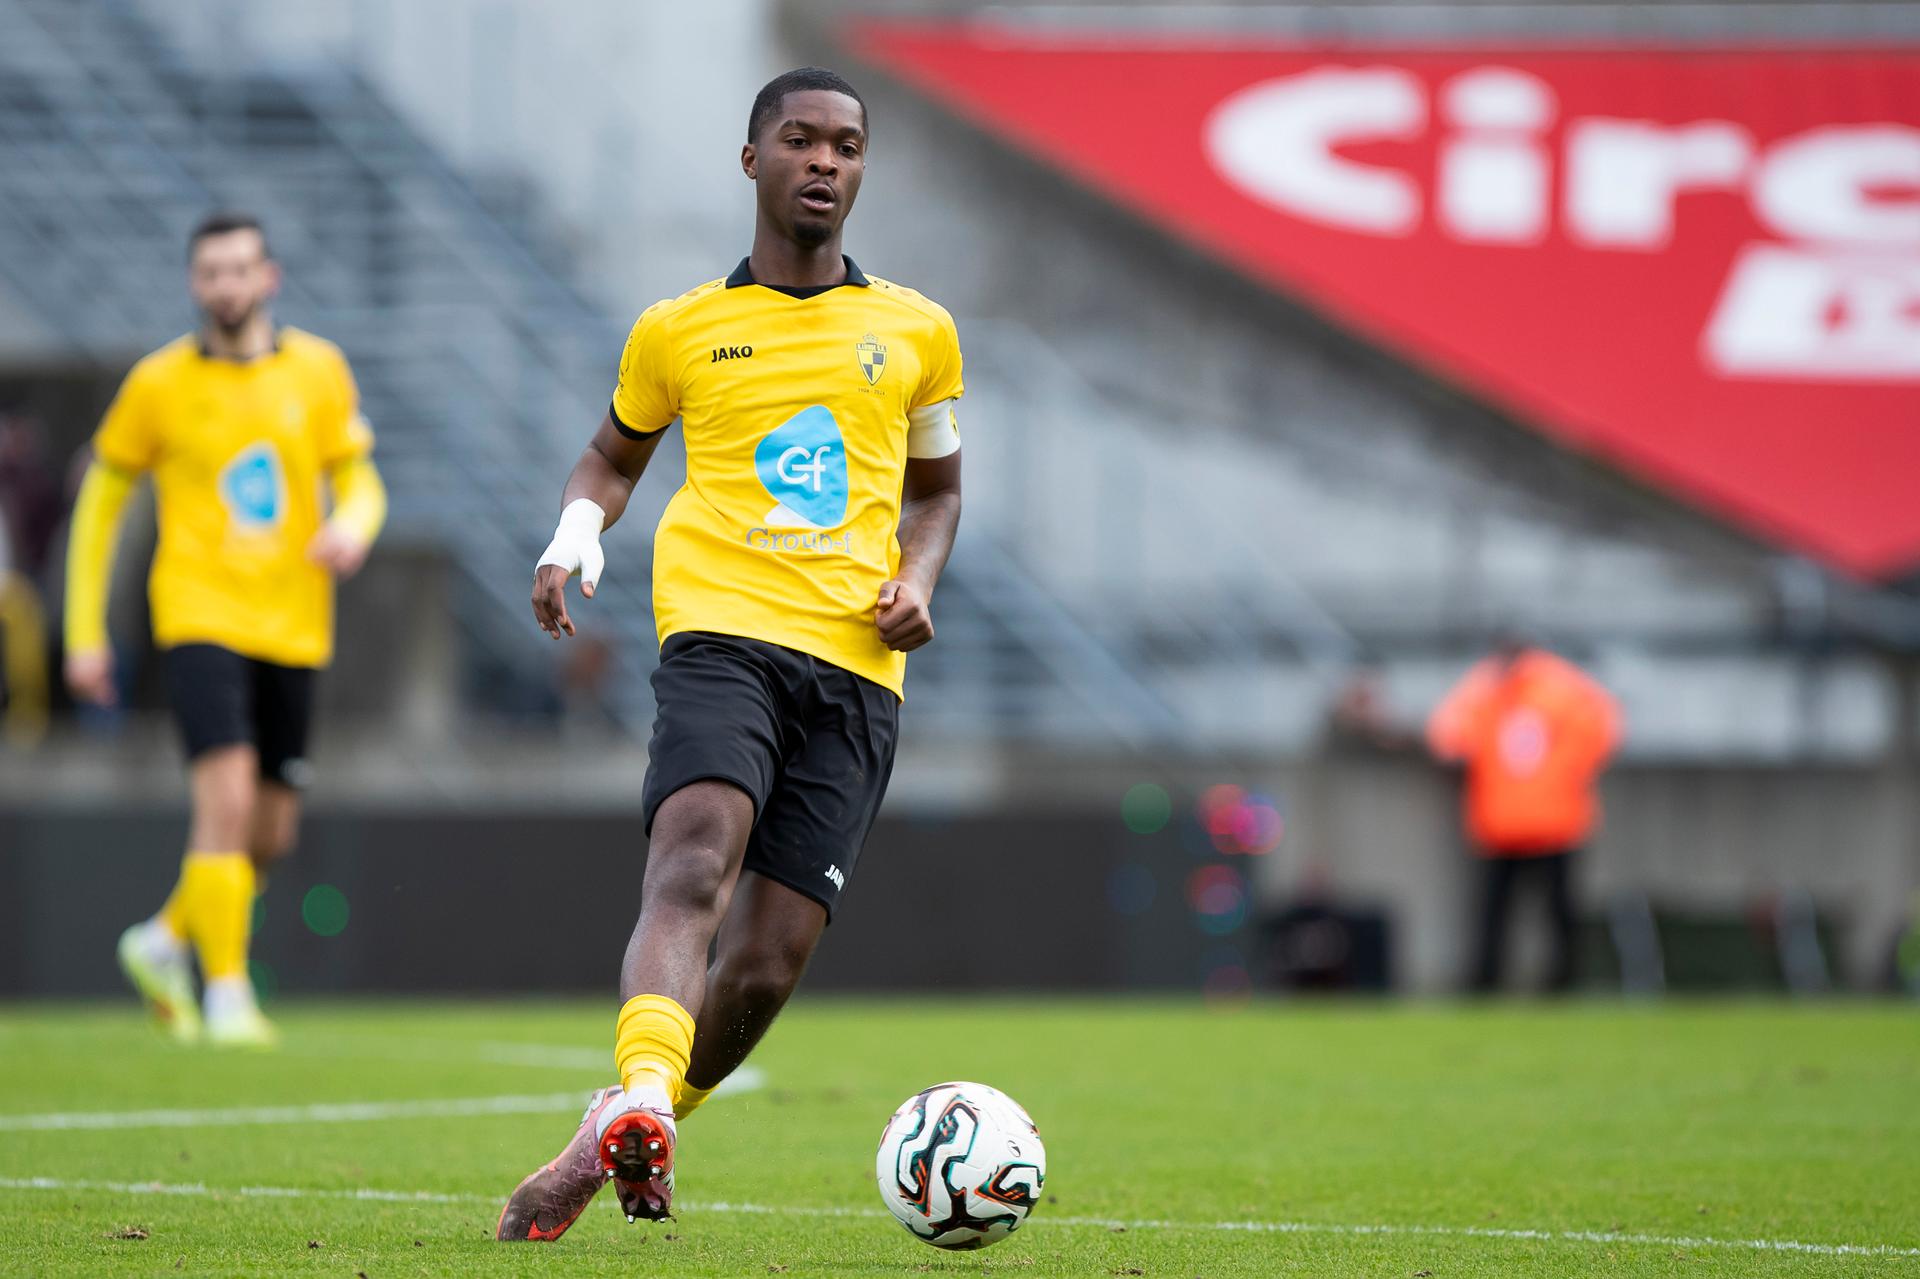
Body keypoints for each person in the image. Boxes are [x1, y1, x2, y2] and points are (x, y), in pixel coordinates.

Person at [498, 66, 964, 1240]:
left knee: (763, 965)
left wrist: (917, 578)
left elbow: (938, 491)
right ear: (752, 159)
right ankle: (646, 1097)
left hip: (856, 668)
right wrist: (575, 532)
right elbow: (611, 456)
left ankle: (618, 1128)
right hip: (722, 636)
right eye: (801, 139)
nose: (825, 161)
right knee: (695, 854)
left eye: (847, 145)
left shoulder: (918, 331)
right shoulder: (680, 329)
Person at [63, 211, 387, 1047]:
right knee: (227, 797)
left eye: (240, 269)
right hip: (199, 613)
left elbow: (360, 479)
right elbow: (100, 504)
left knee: (270, 832)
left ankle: (164, 938)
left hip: (295, 623)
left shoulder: (318, 369)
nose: (226, 286)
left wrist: (352, 525)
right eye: (211, 272)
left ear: (268, 277)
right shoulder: (158, 383)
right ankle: (228, 993)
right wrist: (84, 630)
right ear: (193, 283)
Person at [1426, 635, 1621, 993]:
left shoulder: (1549, 688)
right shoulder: (1491, 689)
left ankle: (1549, 981)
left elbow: (1598, 733)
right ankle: (1499, 980)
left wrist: (1565, 773)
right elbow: (1448, 738)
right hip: (1510, 823)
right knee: (1503, 912)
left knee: (1546, 911)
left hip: (1547, 822)